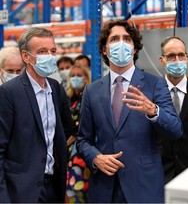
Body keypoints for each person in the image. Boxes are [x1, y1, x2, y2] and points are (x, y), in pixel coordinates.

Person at [76, 19, 182, 203]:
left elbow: (176, 130)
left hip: (144, 187)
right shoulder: (92, 91)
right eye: (115, 39)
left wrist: (153, 111)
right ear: (104, 49)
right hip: (105, 188)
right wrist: (96, 158)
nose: (121, 44)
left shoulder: (154, 84)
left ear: (134, 48)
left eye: (127, 39)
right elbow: (83, 140)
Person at [0, 27, 68, 202]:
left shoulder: (56, 89)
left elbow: (63, 133)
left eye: (52, 51)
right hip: (21, 190)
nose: (50, 56)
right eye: (42, 51)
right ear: (26, 56)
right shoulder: (9, 93)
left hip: (53, 186)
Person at [157, 37, 188, 184]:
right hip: (160, 173)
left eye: (181, 55)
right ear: (162, 60)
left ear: (187, 59)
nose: (177, 60)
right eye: (171, 56)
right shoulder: (152, 93)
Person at [66, 65, 91, 203]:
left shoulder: (88, 96)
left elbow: (81, 127)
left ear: (86, 78)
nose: (75, 78)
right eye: (72, 75)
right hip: (68, 154)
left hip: (81, 154)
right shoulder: (68, 98)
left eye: (79, 75)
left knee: (77, 190)